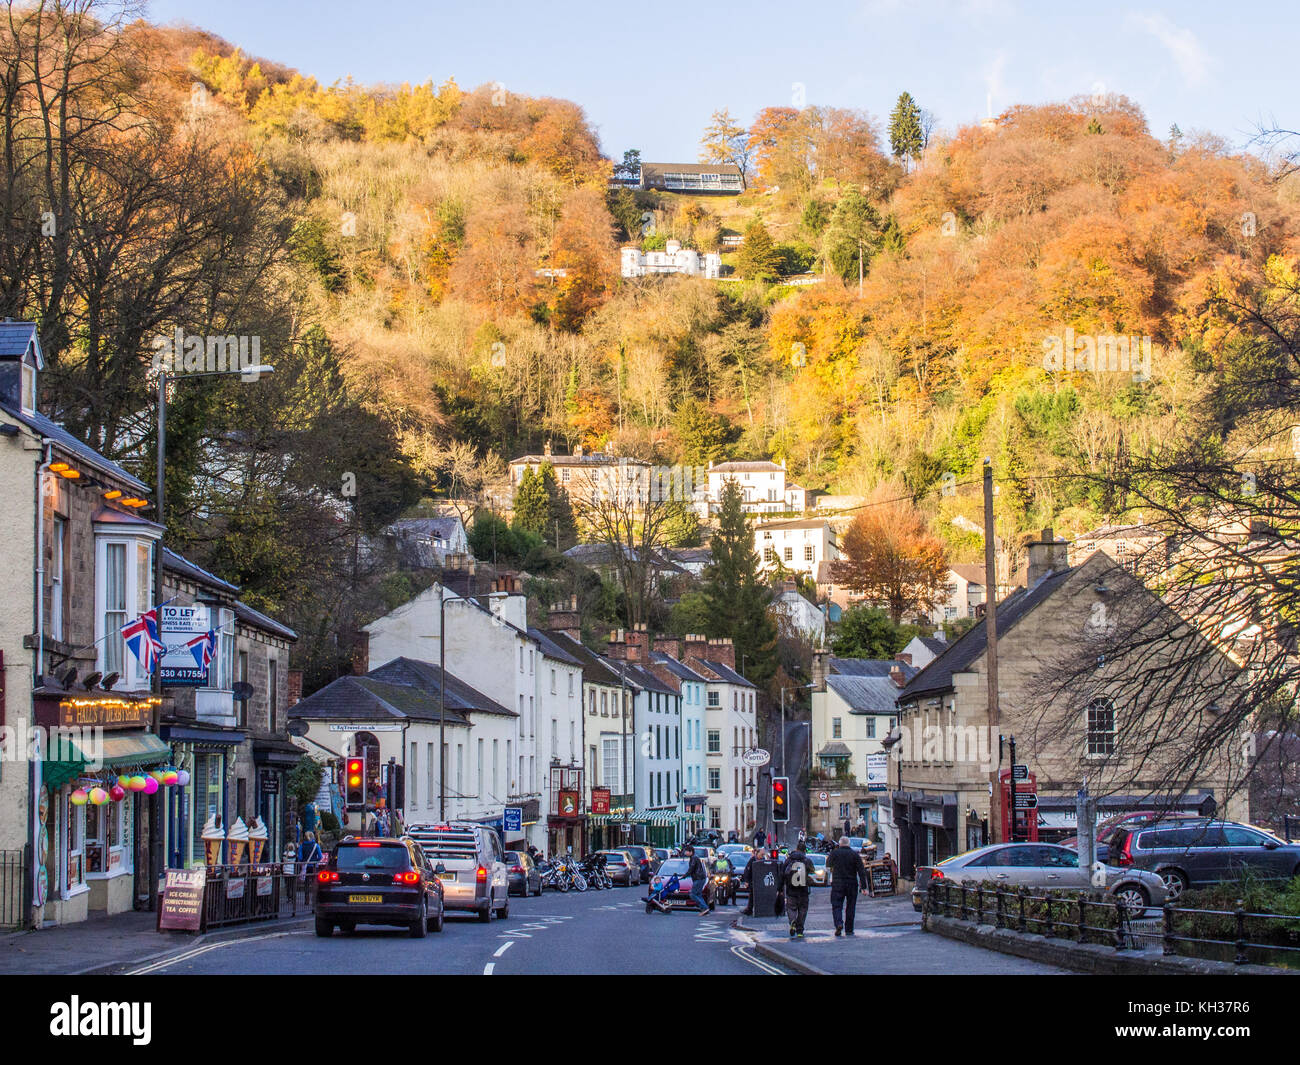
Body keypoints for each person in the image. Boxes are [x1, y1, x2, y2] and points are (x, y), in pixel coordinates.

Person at [828, 835, 869, 936]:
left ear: (840, 844)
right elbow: (861, 871)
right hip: (851, 883)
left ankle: (838, 923)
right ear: (848, 844)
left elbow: (828, 864)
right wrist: (863, 887)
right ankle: (849, 929)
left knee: (837, 905)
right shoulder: (854, 855)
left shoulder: (835, 854)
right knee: (850, 906)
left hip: (838, 883)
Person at [780, 841, 815, 939]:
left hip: (791, 890)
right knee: (803, 910)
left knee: (791, 908)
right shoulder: (806, 860)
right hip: (803, 890)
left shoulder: (788, 860)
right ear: (804, 850)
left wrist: (780, 889)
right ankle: (800, 931)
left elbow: (782, 874)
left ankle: (792, 921)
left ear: (796, 849)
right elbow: (813, 870)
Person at [683, 845, 710, 914]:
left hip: (698, 878)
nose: (685, 853)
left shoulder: (694, 858)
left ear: (690, 852)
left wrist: (685, 875)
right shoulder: (694, 857)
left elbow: (691, 868)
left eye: (686, 851)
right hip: (700, 878)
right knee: (698, 894)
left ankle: (704, 907)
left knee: (692, 894)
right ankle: (705, 909)